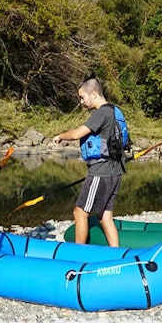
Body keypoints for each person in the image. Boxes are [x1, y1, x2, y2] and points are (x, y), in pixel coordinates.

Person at [51, 77, 126, 247]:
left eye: (82, 97)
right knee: (105, 216)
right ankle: (115, 253)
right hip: (116, 172)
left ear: (93, 94)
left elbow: (77, 134)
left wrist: (60, 136)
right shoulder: (115, 111)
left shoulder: (101, 113)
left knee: (79, 213)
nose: (81, 102)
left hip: (101, 172)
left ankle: (79, 253)